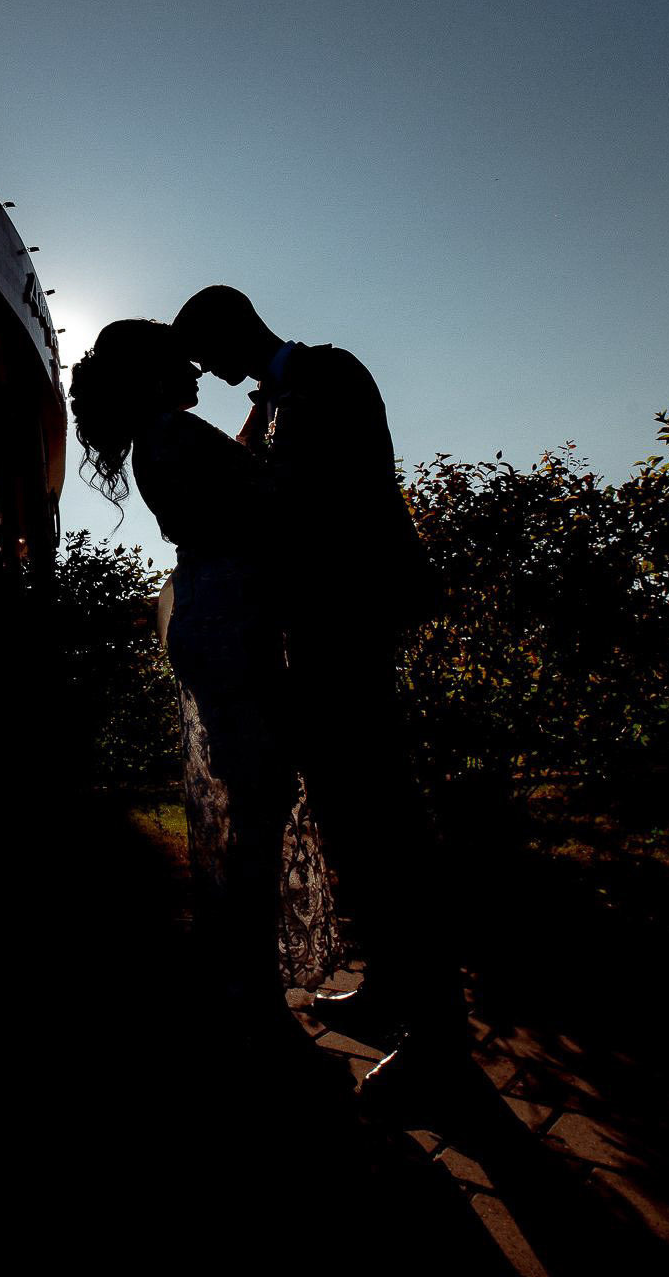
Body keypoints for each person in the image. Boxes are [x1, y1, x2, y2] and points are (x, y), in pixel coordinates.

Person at [170, 285, 465, 1089]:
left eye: (208, 353)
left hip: (351, 621)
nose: (209, 371)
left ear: (233, 327)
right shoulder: (266, 406)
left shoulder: (330, 375)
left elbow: (318, 501)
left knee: (384, 820)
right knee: (348, 817)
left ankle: (440, 1037)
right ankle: (391, 987)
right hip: (309, 635)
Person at [68, 319, 335, 1073]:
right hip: (231, 616)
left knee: (255, 798)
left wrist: (261, 419)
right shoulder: (174, 433)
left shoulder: (164, 436)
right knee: (258, 802)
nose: (196, 374)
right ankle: (250, 981)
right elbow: (264, 495)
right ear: (156, 375)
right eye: (181, 363)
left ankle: (244, 971)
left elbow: (236, 474)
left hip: (215, 609)